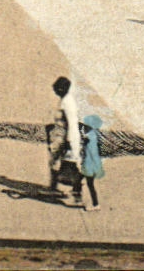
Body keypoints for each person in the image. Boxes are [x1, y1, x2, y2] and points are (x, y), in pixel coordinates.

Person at [46, 77, 82, 205]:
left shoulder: (68, 103)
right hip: (59, 138)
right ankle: (54, 188)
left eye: (56, 89)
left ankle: (76, 195)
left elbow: (72, 124)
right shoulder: (64, 100)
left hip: (66, 139)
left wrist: (69, 142)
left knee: (71, 167)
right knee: (55, 162)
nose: (54, 91)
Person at [76, 114, 105, 211]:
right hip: (89, 165)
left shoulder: (89, 138)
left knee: (90, 184)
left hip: (89, 166)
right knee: (78, 179)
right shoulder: (92, 135)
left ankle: (95, 204)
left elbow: (91, 153)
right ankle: (76, 194)